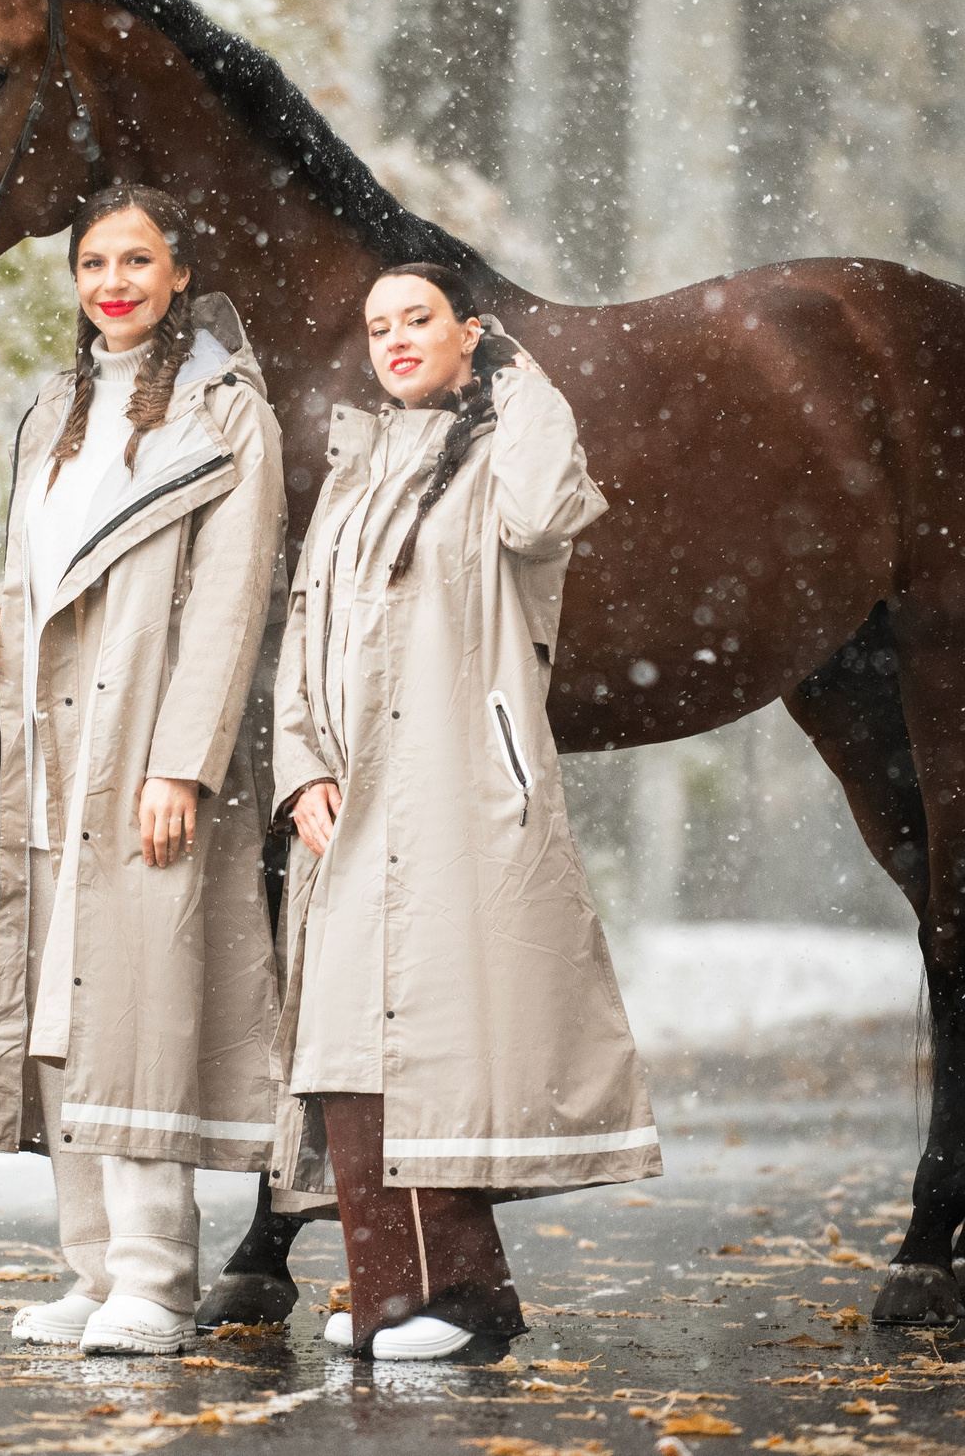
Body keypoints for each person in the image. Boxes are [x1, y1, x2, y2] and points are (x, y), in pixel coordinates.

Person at [270, 261, 662, 1361]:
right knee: (347, 1037)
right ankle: (401, 1288)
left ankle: (449, 1291)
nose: (395, 340)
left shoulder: (508, 451)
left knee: (435, 1035)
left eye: (420, 321)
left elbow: (543, 519)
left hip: (456, 783)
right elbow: (304, 634)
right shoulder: (354, 469)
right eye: (378, 325)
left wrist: (519, 375)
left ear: (465, 333)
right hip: (346, 798)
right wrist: (301, 765)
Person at [0, 186, 286, 1356]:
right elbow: (42, 569)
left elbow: (235, 602)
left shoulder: (229, 413)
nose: (112, 280)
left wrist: (181, 763)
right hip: (50, 747)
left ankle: (155, 1275)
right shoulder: (52, 407)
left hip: (146, 747)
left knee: (139, 1008)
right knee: (59, 1011)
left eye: (135, 259)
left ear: (179, 270)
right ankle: (90, 1269)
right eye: (93, 260)